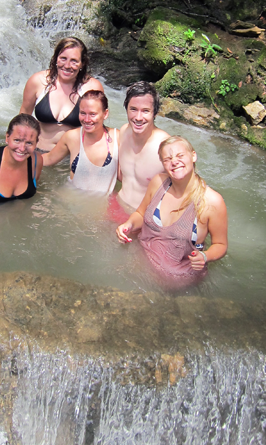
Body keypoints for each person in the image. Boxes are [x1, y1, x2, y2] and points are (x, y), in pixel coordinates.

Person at [116, 135, 228, 290]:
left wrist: (205, 256)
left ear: (193, 156)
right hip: (139, 264)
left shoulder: (212, 201)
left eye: (180, 155)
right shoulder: (158, 182)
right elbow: (141, 214)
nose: (174, 161)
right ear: (163, 164)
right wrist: (128, 224)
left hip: (177, 282)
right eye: (167, 159)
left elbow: (220, 244)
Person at [20, 36, 104, 151]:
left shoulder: (92, 87)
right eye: (63, 58)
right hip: (38, 153)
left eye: (74, 61)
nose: (67, 66)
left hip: (72, 156)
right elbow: (23, 118)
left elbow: (98, 126)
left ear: (82, 63)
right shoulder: (37, 81)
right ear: (56, 59)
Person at [42, 90, 119, 195]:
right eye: (83, 113)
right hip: (71, 201)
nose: (87, 120)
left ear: (105, 114)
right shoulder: (72, 137)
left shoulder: (118, 137)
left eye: (92, 114)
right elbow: (49, 158)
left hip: (103, 207)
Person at [117, 81, 169, 211]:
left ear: (155, 113)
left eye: (145, 111)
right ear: (126, 109)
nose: (138, 118)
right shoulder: (124, 131)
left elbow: (188, 190)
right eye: (133, 109)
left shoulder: (166, 147)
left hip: (143, 218)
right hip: (117, 204)